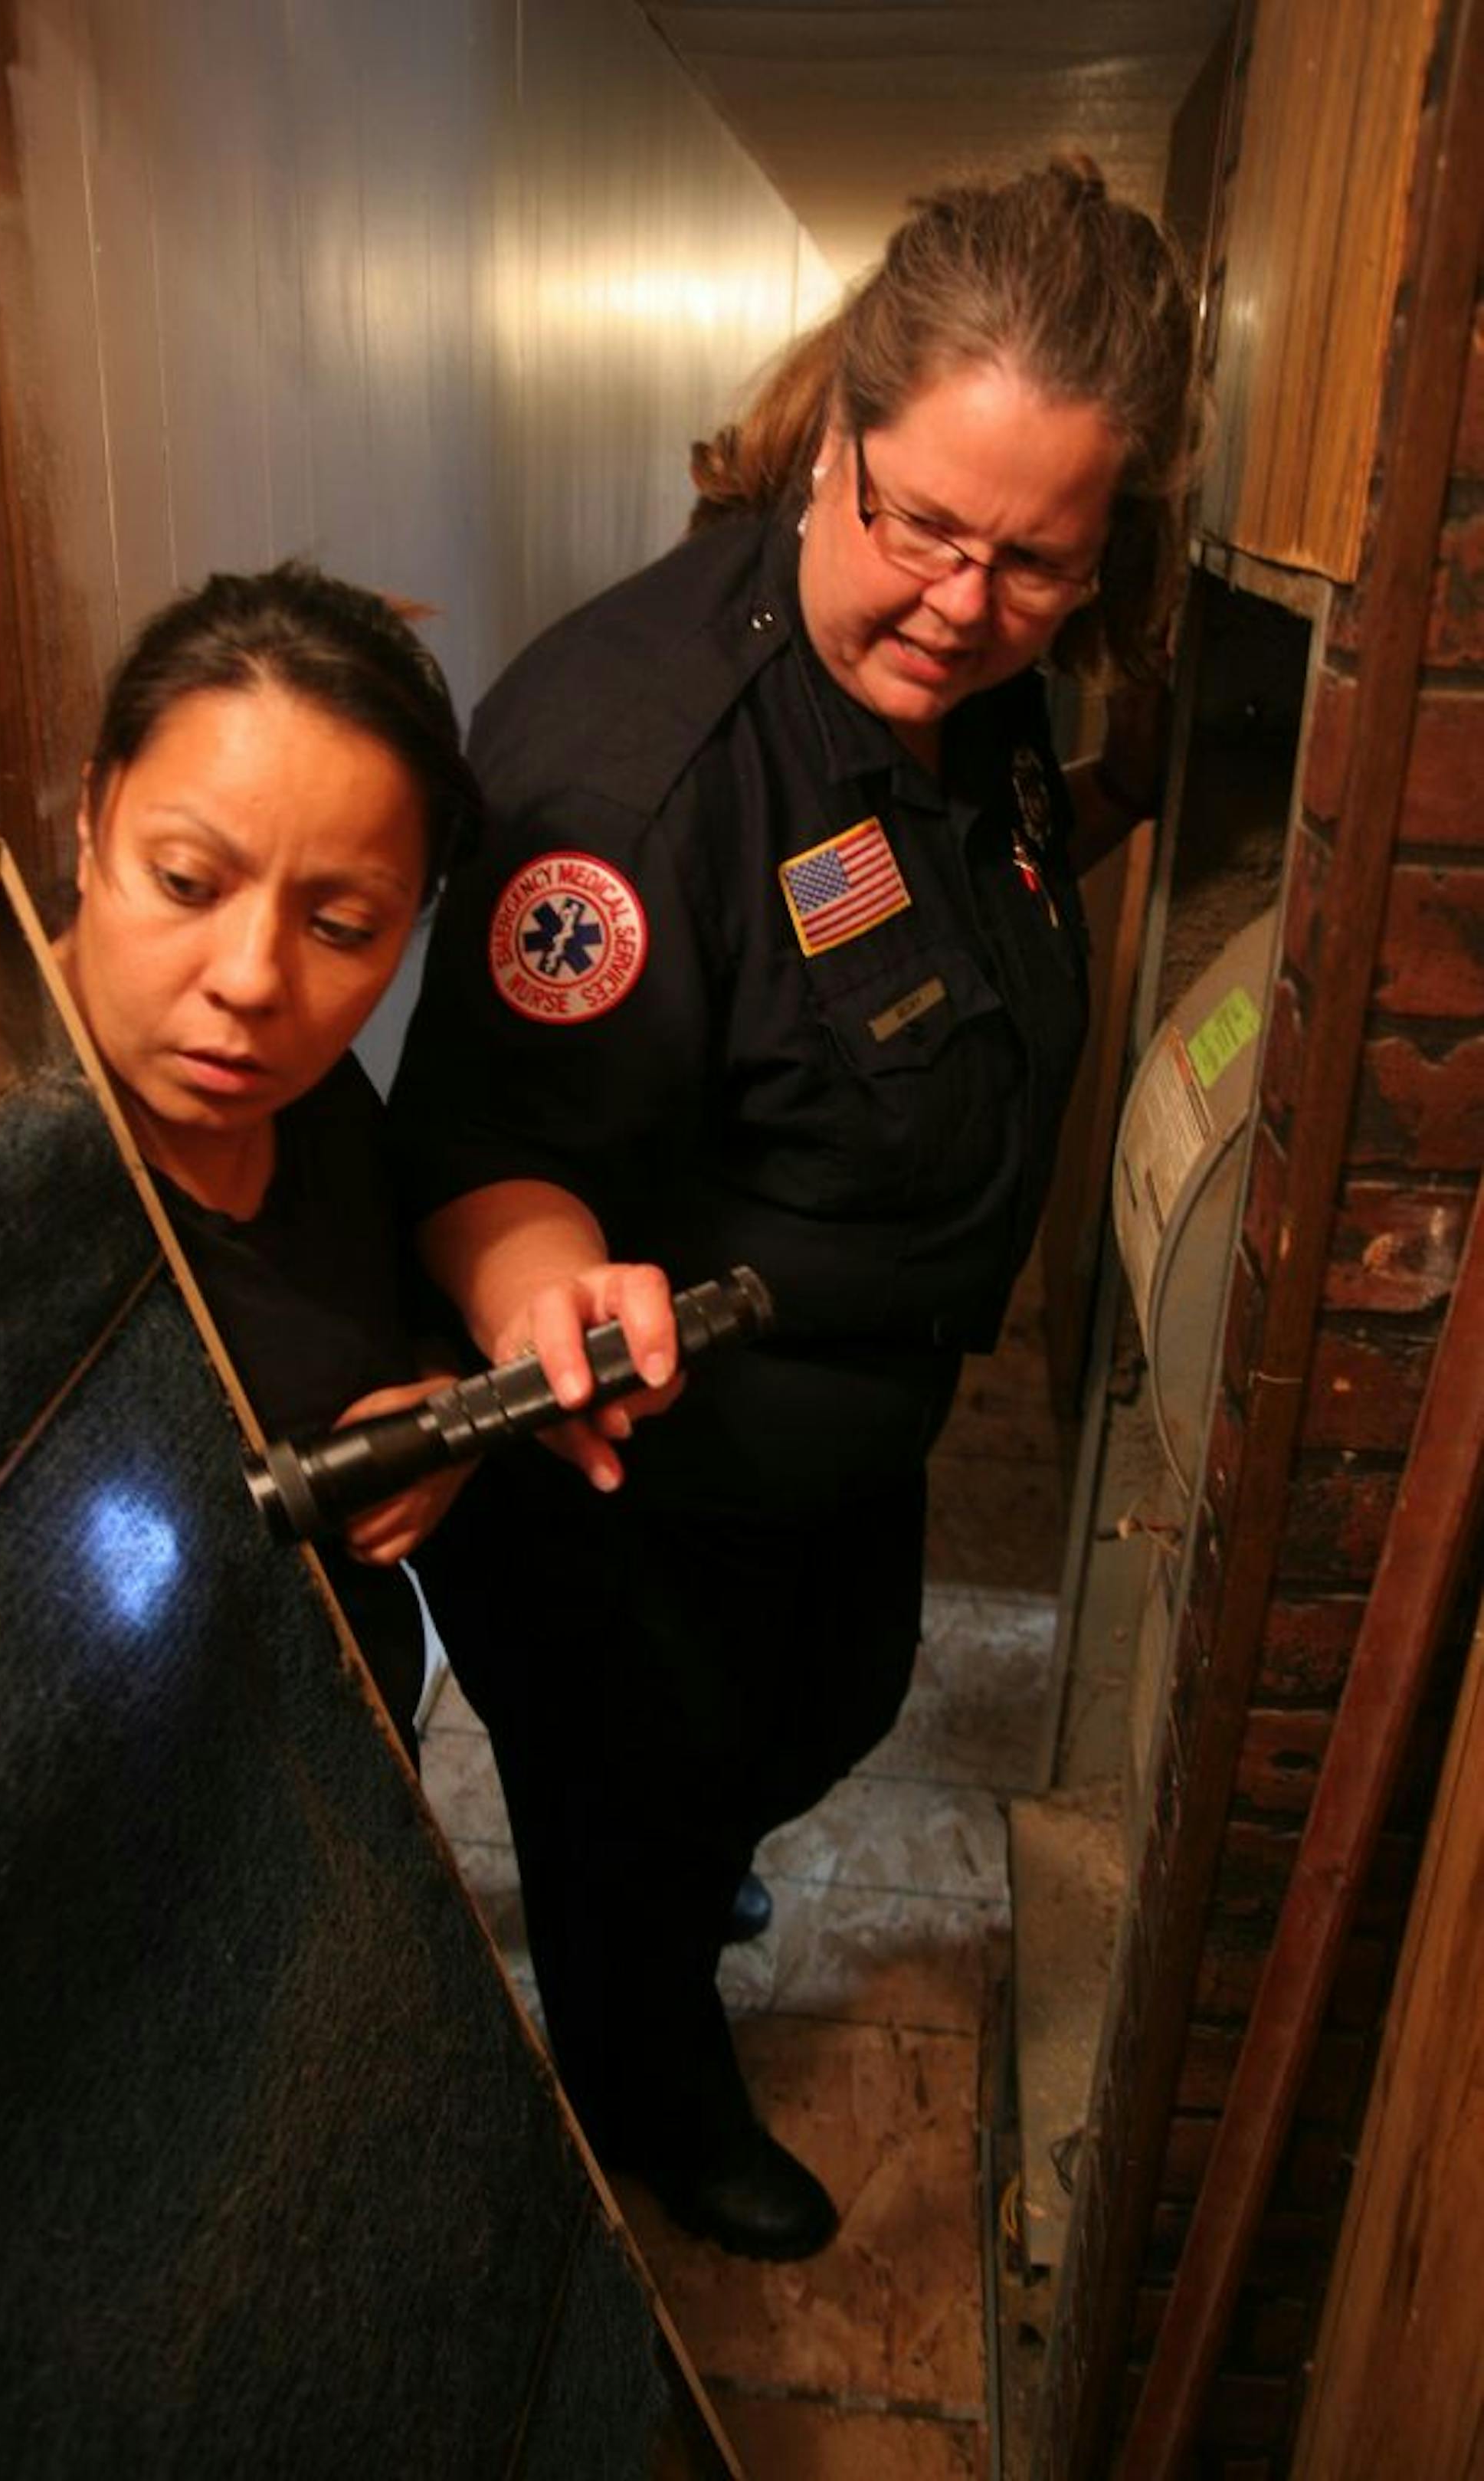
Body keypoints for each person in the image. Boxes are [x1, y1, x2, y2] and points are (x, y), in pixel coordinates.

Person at [391, 159, 1199, 2259]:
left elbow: (958, 895)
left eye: (1035, 559)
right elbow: (488, 1142)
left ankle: (677, 1869)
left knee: (835, 1700)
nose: (961, 599)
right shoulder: (636, 767)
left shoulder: (981, 686)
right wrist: (549, 1278)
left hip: (845, 1429)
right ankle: (650, 2098)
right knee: (627, 1816)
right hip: (640, 1485)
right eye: (922, 523)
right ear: (836, 427)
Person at [54, 562, 493, 1765]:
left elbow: (406, 1309)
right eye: (187, 882)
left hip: (339, 1767)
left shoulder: (316, 1098)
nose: (252, 979)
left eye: (343, 928)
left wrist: (439, 1414)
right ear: (91, 817)